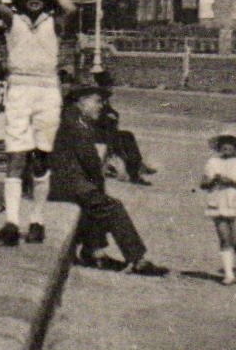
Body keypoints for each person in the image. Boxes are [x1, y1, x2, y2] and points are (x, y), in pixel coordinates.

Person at [0, 0, 76, 246]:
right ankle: (12, 222)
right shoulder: (13, 20)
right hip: (20, 89)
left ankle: (37, 220)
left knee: (41, 157)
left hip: (47, 89)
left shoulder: (54, 21)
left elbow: (70, 8)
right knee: (15, 155)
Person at [50, 85, 167, 275]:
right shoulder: (76, 122)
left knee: (97, 200)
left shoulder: (72, 117)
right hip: (66, 184)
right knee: (111, 206)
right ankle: (137, 260)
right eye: (97, 101)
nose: (101, 106)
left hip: (65, 182)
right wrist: (106, 176)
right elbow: (90, 160)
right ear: (82, 101)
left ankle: (94, 251)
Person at [201, 133, 236, 285]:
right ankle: (229, 273)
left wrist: (231, 182)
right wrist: (213, 181)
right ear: (218, 146)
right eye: (223, 144)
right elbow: (203, 184)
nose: (227, 147)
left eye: (230, 144)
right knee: (224, 239)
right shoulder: (212, 162)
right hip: (218, 202)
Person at [91, 76, 155, 185]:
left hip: (106, 132)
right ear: (103, 87)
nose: (112, 89)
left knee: (128, 135)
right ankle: (134, 173)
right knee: (124, 140)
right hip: (98, 134)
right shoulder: (96, 99)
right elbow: (94, 118)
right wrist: (107, 117)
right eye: (109, 87)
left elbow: (113, 113)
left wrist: (110, 116)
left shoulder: (104, 99)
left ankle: (137, 165)